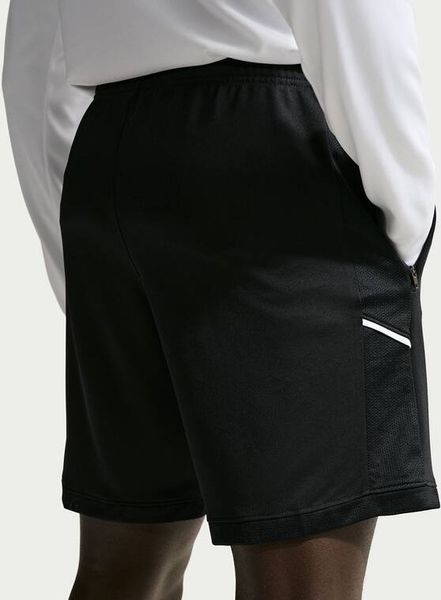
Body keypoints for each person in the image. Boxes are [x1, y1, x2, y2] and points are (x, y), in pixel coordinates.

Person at [2, 1, 439, 598]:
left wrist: (81, 258)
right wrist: (404, 231)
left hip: (111, 159)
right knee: (298, 578)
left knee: (124, 569)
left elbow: (33, 54)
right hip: (275, 170)